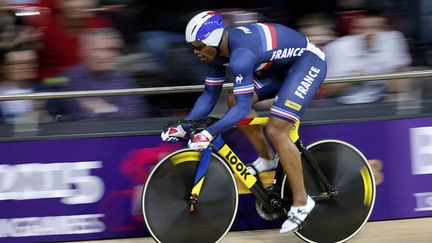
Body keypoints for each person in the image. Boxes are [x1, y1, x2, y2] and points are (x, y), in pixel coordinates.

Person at [160, 11, 327, 233]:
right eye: (193, 46)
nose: (195, 52)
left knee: (277, 130)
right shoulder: (217, 53)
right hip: (280, 68)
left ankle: (302, 201)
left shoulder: (241, 55)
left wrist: (210, 132)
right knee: (232, 98)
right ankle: (267, 158)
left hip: (307, 63)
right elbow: (210, 94)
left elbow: (241, 110)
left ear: (214, 40)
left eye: (199, 46)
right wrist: (186, 125)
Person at [48, 27, 148, 121]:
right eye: (98, 49)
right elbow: (48, 91)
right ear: (82, 51)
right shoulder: (67, 77)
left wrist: (105, 109)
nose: (104, 56)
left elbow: (136, 116)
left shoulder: (125, 82)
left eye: (111, 50)